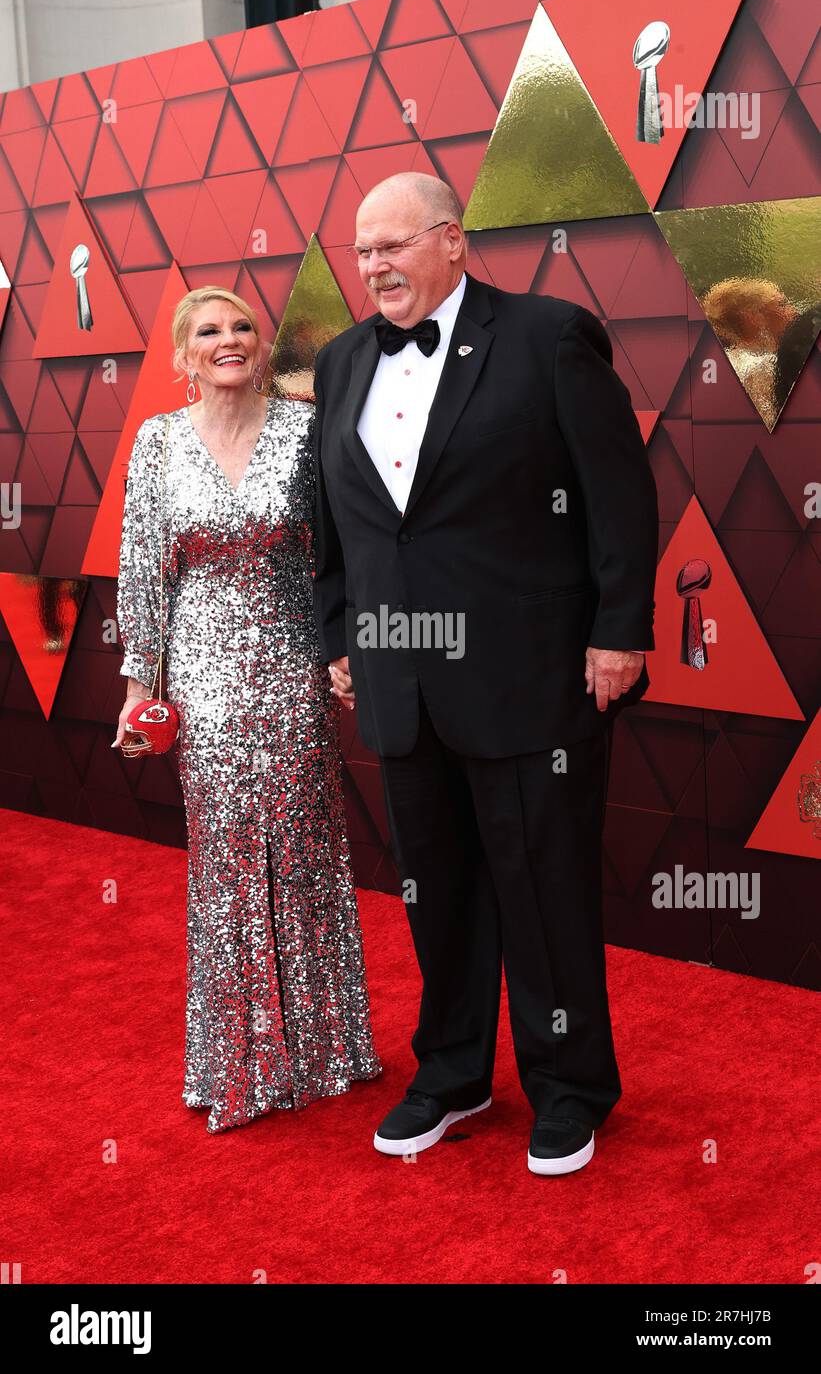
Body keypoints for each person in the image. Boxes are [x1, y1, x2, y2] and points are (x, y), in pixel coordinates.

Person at [310, 174, 658, 1175]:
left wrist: (617, 631)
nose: (372, 265)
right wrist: (339, 635)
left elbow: (616, 491)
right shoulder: (338, 365)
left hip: (529, 671)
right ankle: (453, 1070)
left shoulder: (546, 335)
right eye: (360, 250)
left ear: (452, 241)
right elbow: (336, 528)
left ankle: (568, 1087)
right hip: (398, 679)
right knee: (438, 891)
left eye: (391, 245)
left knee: (543, 888)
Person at [113, 285, 381, 1134]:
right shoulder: (157, 443)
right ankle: (241, 1060)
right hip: (201, 679)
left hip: (294, 667)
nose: (228, 340)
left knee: (306, 848)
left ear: (262, 346)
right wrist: (140, 689)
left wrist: (348, 652)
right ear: (182, 357)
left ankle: (329, 1049)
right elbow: (142, 575)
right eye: (208, 332)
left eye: (241, 327)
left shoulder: (307, 429)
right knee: (226, 865)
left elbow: (347, 550)